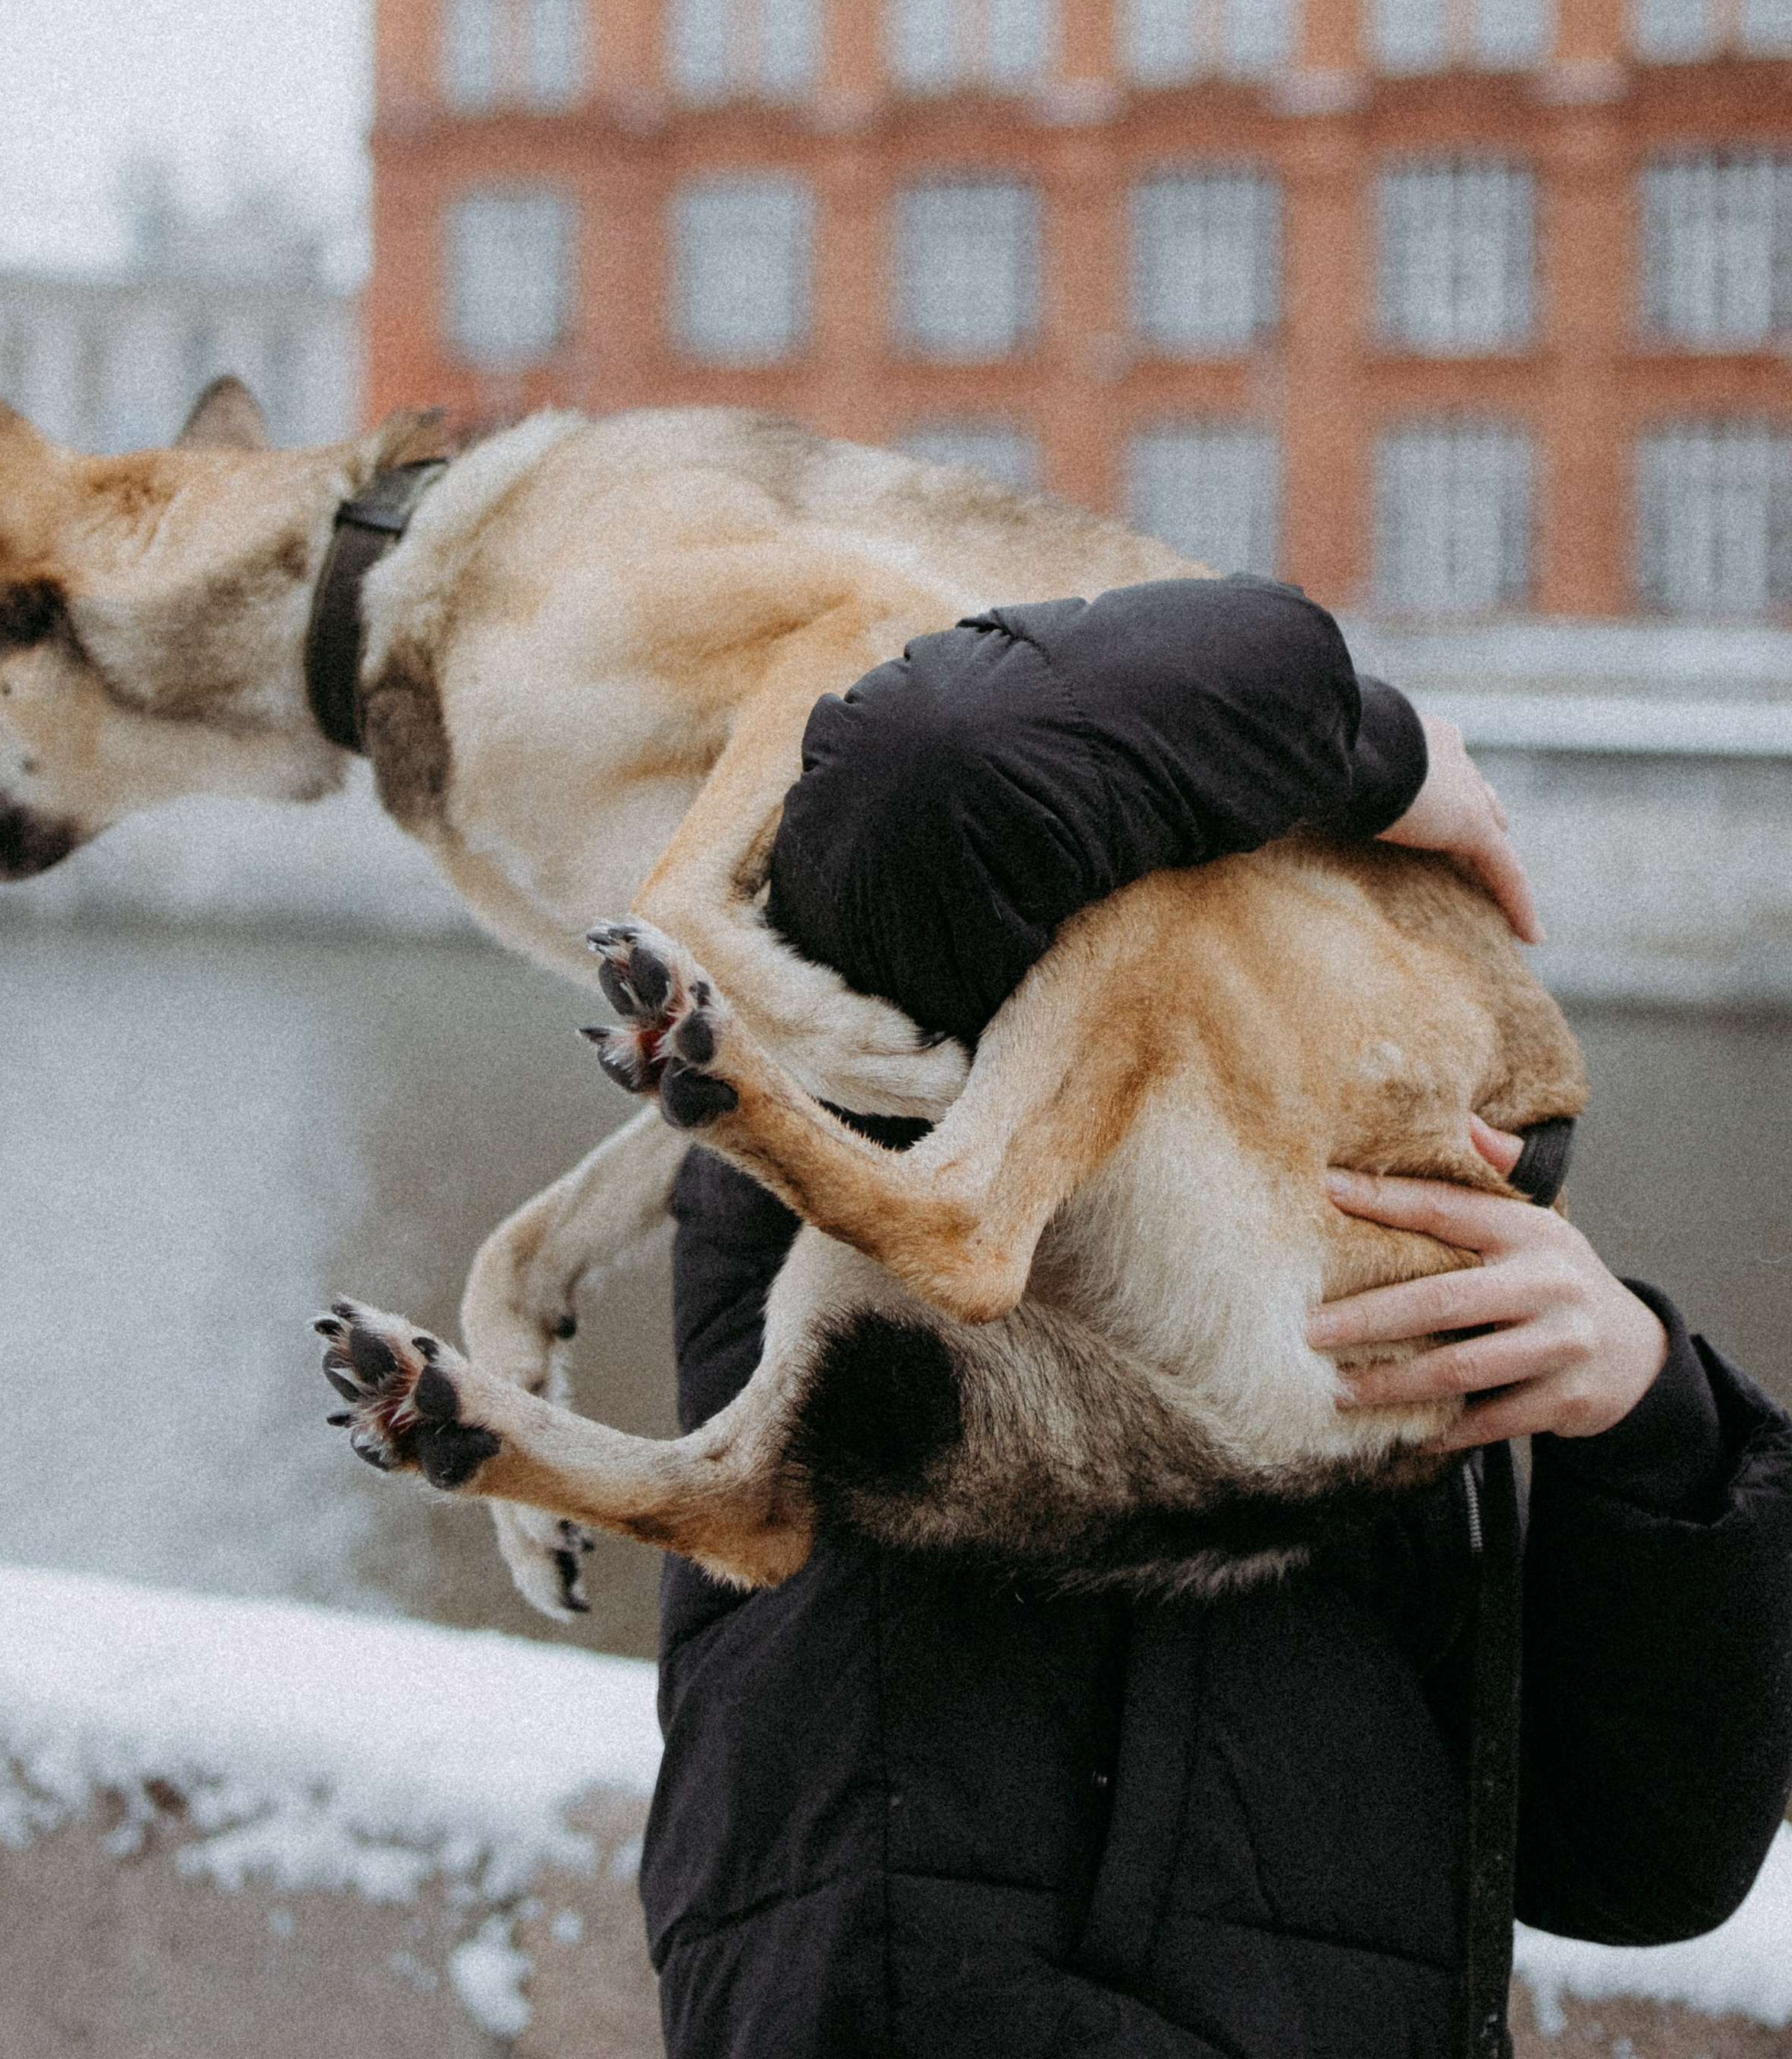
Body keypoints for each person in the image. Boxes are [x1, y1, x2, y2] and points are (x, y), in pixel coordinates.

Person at [636, 577, 1792, 2059]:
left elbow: (1637, 1869)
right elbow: (949, 751)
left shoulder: (1360, 1248)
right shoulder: (863, 1016)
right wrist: (1361, 744)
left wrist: (1649, 1430)